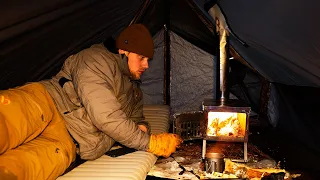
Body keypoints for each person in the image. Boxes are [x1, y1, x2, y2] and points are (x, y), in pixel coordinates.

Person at [0, 23, 182, 180]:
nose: (146, 65)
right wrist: (151, 143)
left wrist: (141, 128)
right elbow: (106, 116)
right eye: (141, 58)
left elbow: (137, 118)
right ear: (123, 50)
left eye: (148, 60)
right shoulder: (96, 60)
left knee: (17, 171)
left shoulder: (134, 91)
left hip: (67, 142)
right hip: (46, 103)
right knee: (4, 126)